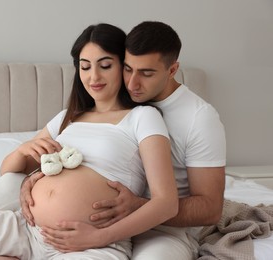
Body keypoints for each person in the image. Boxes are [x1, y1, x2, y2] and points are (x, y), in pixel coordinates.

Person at [0, 23, 178, 260]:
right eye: (85, 66)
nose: (93, 76)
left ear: (122, 66)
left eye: (105, 65)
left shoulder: (142, 117)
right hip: (25, 228)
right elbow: (7, 172)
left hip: (92, 244)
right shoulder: (67, 118)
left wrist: (97, 237)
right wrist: (24, 150)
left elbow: (167, 203)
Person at [35, 21, 226, 259]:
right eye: (127, 69)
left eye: (146, 73)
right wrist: (30, 181)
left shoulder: (199, 117)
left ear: (172, 70)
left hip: (163, 228)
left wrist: (139, 205)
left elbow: (210, 209)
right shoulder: (113, 104)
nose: (133, 83)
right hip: (99, 222)